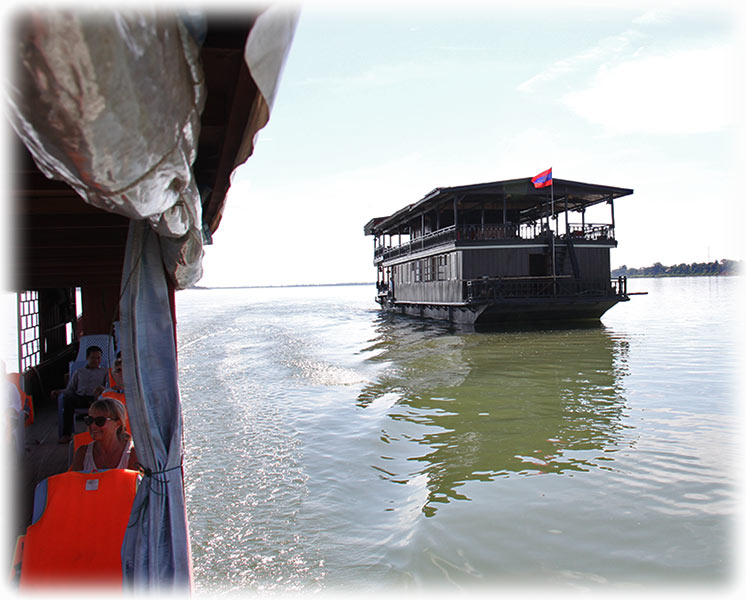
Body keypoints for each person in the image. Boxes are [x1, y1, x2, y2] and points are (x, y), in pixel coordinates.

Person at [53, 345, 109, 443]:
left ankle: (101, 433)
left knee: (103, 403)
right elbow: (70, 389)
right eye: (93, 358)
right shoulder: (79, 372)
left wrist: (103, 389)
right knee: (68, 400)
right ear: (87, 358)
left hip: (96, 399)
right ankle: (66, 435)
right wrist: (59, 391)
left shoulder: (105, 372)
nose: (96, 360)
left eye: (98, 358)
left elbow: (109, 388)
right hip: (80, 398)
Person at [70, 397, 138, 472]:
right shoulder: (82, 454)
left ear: (118, 423)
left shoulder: (132, 454)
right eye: (90, 420)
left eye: (100, 421)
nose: (93, 426)